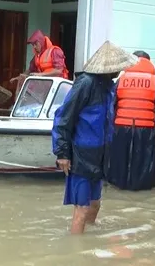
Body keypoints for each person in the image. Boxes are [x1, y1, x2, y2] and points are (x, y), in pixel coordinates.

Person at [52, 41, 138, 234]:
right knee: (81, 209)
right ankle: (76, 253)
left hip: (100, 155)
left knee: (95, 204)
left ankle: (88, 243)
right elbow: (63, 118)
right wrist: (62, 153)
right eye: (118, 68)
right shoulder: (86, 83)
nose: (120, 72)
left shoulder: (108, 86)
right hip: (81, 154)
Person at [106, 52, 155, 191]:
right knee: (143, 165)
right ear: (148, 62)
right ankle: (140, 192)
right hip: (145, 129)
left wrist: (110, 128)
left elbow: (111, 105)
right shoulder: (154, 81)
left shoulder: (122, 79)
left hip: (121, 127)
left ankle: (119, 188)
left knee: (120, 163)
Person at [10, 30, 69, 96]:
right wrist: (18, 78)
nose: (34, 47)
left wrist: (40, 75)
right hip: (46, 85)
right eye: (33, 45)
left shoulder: (55, 51)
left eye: (36, 44)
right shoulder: (37, 56)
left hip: (58, 87)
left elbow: (59, 71)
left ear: (41, 42)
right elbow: (30, 70)